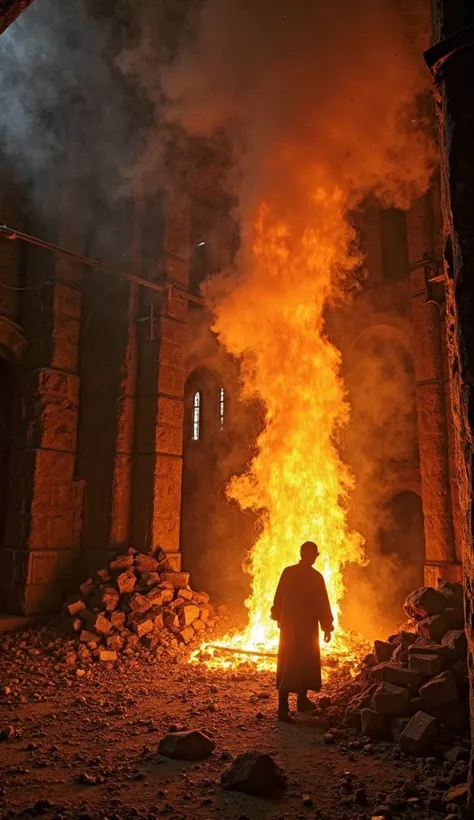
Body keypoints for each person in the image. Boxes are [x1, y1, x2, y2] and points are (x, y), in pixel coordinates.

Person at [270, 540, 334, 722]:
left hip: (300, 627)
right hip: (296, 627)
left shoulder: (296, 574)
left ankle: (302, 699)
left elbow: (322, 603)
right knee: (290, 663)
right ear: (303, 554)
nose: (312, 558)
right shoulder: (307, 575)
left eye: (314, 555)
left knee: (303, 660)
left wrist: (327, 625)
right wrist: (327, 625)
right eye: (311, 554)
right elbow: (280, 596)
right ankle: (282, 708)